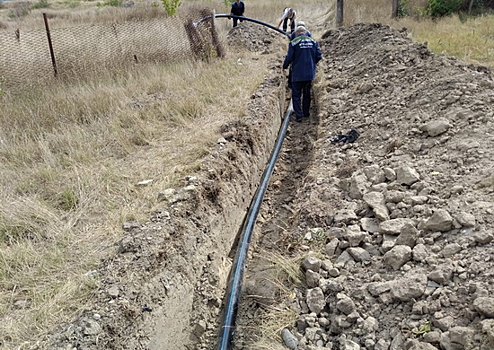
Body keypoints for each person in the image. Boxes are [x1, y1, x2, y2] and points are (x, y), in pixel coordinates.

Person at [282, 26, 322, 122]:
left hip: (297, 73)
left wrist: (284, 66)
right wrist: (312, 63)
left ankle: (299, 115)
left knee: (296, 95)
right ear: (305, 32)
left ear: (296, 33)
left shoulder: (294, 42)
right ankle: (306, 113)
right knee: (307, 93)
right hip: (309, 73)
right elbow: (319, 56)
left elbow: (289, 57)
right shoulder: (313, 42)